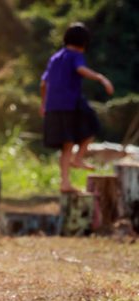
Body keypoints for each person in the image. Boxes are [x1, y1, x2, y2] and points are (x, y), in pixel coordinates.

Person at [40, 22, 114, 193]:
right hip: (70, 103)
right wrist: (101, 78)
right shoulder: (75, 55)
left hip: (53, 105)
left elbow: (43, 83)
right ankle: (78, 158)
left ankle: (65, 182)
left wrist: (43, 104)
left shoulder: (55, 58)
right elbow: (81, 69)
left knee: (67, 144)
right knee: (93, 126)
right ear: (84, 43)